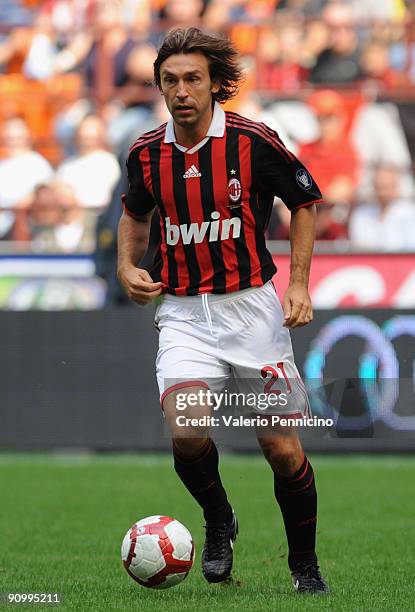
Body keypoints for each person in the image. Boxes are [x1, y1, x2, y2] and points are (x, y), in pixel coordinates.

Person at [117, 27, 328, 594]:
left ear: (214, 85)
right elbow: (134, 215)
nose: (181, 90)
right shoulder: (144, 152)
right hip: (184, 312)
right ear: (159, 86)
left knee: (281, 448)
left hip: (254, 312)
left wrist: (300, 284)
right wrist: (126, 266)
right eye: (170, 80)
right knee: (186, 431)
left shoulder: (252, 141)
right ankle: (218, 522)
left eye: (192, 79)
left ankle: (305, 570)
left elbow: (306, 200)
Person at [349, 164, 415, 251]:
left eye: (385, 187)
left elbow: (410, 248)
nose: (382, 192)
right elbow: (359, 246)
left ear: (396, 187)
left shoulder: (409, 212)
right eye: (378, 187)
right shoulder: (361, 214)